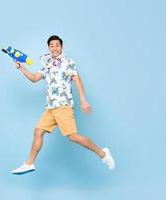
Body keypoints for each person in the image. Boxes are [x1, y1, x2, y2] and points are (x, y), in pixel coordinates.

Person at [11, 35, 115, 175]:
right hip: (50, 108)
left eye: (57, 45)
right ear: (49, 48)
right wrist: (21, 68)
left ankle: (103, 154)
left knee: (73, 137)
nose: (54, 48)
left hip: (63, 106)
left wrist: (83, 100)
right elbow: (35, 78)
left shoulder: (68, 62)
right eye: (51, 45)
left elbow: (77, 80)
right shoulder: (47, 65)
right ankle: (29, 164)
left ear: (62, 47)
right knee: (38, 131)